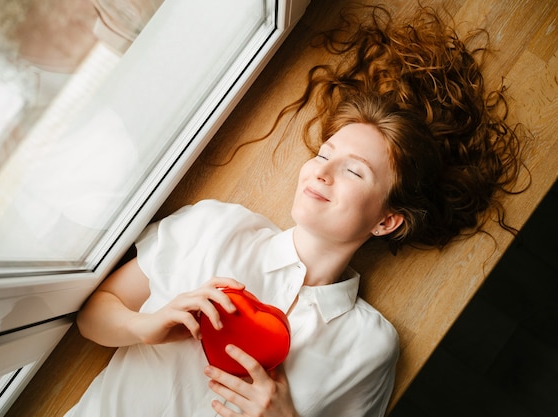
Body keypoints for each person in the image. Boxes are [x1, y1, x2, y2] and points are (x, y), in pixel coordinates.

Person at [65, 6, 526, 417]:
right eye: (324, 155)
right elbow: (93, 314)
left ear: (387, 220)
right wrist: (145, 326)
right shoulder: (213, 226)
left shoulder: (368, 347)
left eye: (355, 172)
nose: (321, 174)